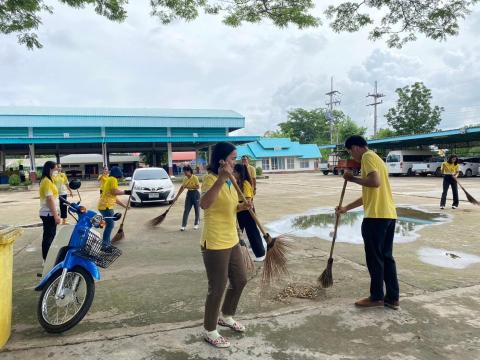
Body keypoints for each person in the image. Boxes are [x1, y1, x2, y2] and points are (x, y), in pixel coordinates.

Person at [336, 135, 399, 310]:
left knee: (375, 259)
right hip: (388, 214)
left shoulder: (367, 157)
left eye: (350, 151)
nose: (352, 156)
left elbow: (374, 183)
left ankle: (377, 296)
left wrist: (352, 179)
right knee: (386, 257)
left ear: (355, 147)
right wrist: (346, 208)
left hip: (376, 217)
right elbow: (369, 194)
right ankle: (392, 298)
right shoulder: (378, 159)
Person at [199, 142, 252, 348]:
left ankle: (226, 315)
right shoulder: (211, 179)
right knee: (218, 286)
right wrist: (221, 179)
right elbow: (205, 205)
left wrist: (242, 206)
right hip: (214, 241)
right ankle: (210, 330)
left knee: (240, 280)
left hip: (231, 239)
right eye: (232, 157)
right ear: (221, 160)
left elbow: (228, 208)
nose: (235, 161)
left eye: (236, 157)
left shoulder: (232, 180)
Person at [233, 163, 265, 261]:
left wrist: (238, 208)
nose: (233, 173)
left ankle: (260, 254)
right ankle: (236, 255)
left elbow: (248, 201)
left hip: (247, 212)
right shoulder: (236, 182)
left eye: (234, 172)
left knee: (252, 232)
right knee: (236, 233)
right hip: (238, 210)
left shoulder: (245, 183)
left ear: (239, 173)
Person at [97, 166, 131, 250]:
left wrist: (124, 206)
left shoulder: (109, 179)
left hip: (105, 206)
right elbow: (114, 191)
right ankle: (105, 246)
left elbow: (114, 197)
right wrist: (126, 192)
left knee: (109, 225)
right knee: (110, 225)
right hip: (106, 207)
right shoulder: (113, 179)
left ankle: (106, 244)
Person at [39, 161, 61, 260]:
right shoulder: (46, 181)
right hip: (48, 214)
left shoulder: (48, 180)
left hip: (50, 213)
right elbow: (49, 199)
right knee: (48, 238)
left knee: (50, 236)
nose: (57, 170)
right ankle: (46, 259)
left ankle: (48, 259)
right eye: (56, 169)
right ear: (50, 169)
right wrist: (56, 215)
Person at [173, 165, 200, 231]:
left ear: (189, 171)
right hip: (189, 194)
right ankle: (183, 225)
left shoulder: (195, 178)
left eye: (185, 171)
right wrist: (177, 196)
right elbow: (182, 188)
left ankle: (196, 224)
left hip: (196, 194)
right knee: (186, 210)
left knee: (197, 209)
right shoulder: (185, 178)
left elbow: (197, 187)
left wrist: (189, 187)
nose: (184, 173)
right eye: (184, 171)